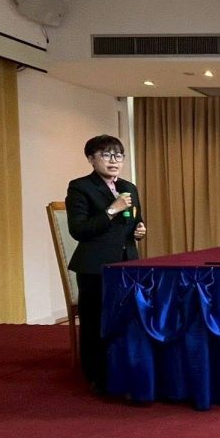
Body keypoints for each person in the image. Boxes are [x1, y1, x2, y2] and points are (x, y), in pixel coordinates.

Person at [66, 135, 146, 393]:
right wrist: (112, 210)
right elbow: (79, 230)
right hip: (95, 268)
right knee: (95, 323)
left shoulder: (128, 187)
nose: (114, 161)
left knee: (128, 319)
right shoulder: (80, 187)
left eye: (118, 155)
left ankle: (124, 369)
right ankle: (96, 376)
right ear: (91, 159)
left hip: (127, 264)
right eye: (106, 155)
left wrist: (140, 230)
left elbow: (135, 221)